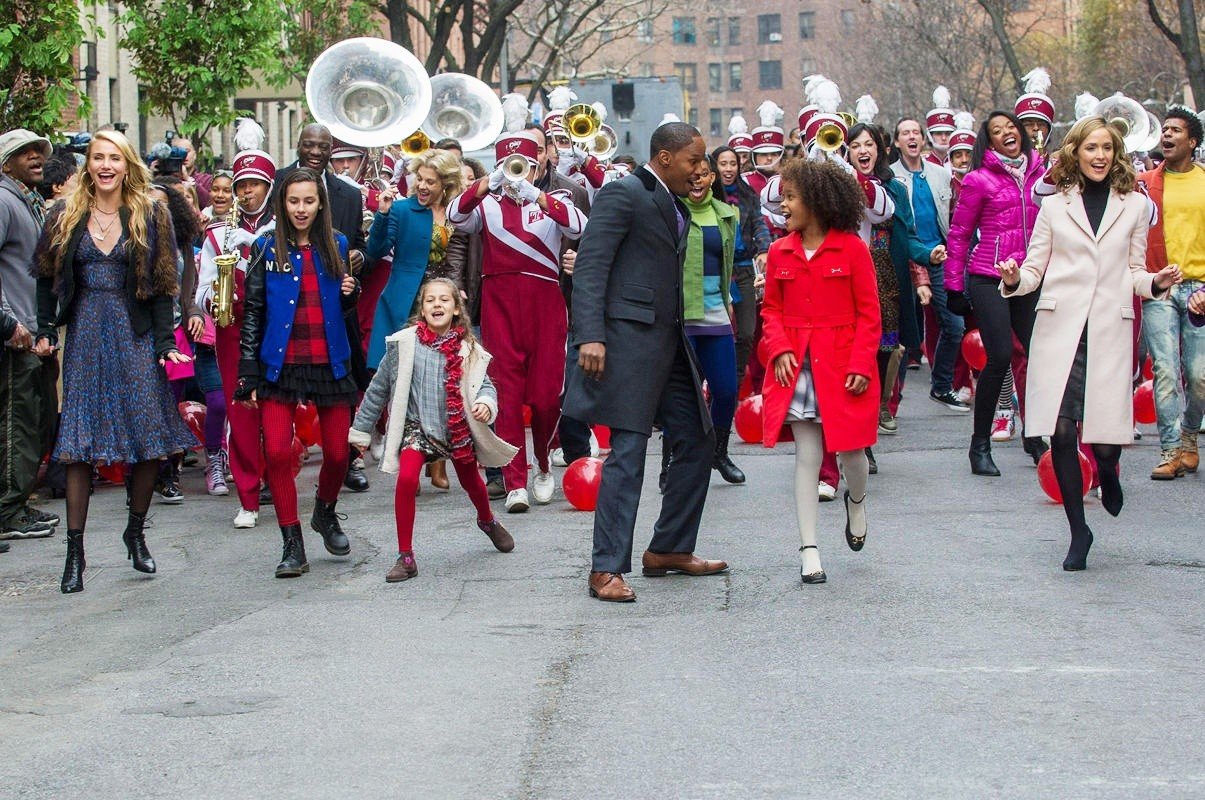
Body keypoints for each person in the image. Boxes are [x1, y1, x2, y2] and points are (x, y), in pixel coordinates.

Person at [997, 115, 1181, 570]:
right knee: (1060, 429)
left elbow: (1135, 271)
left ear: (1116, 154)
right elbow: (1035, 268)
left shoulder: (1135, 206)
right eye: (1090, 148)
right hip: (1061, 328)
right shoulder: (1055, 206)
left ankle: (1110, 469)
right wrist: (1016, 277)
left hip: (1108, 328)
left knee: (1103, 438)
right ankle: (1079, 532)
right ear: (1075, 153)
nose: (1099, 156)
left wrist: (1155, 282)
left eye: (1106, 148)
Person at [563, 122, 728, 603]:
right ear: (664, 158)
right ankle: (606, 569)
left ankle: (669, 549)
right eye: (694, 159)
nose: (703, 168)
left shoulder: (676, 201)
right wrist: (589, 335)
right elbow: (592, 265)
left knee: (699, 438)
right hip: (626, 342)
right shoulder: (623, 194)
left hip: (670, 342)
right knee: (629, 454)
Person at [32, 130, 196, 593]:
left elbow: (164, 284)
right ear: (88, 165)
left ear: (127, 165)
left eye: (114, 158)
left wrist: (166, 343)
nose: (106, 166)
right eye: (98, 158)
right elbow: (45, 279)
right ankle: (75, 552)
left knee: (148, 437)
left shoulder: (150, 212)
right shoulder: (65, 213)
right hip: (85, 334)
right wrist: (46, 329)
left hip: (136, 334)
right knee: (80, 441)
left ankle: (135, 531)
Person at [447, 131, 586, 513]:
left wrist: (534, 195)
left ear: (538, 162)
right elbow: (454, 215)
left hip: (545, 304)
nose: (515, 174)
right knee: (505, 395)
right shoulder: (486, 205)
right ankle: (514, 481)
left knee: (544, 397)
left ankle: (543, 462)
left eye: (523, 164)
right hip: (499, 305)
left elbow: (579, 227)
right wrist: (484, 184)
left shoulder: (555, 199)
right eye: (508, 166)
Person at [759, 159, 881, 584]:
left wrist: (863, 363)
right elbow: (771, 309)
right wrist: (777, 348)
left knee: (852, 453)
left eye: (791, 197)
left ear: (817, 201)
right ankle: (809, 548)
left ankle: (857, 499)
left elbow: (870, 314)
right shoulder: (779, 251)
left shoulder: (852, 248)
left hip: (845, 366)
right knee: (807, 456)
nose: (784, 205)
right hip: (799, 368)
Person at [349, 278, 519, 582]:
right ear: (422, 309)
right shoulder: (404, 344)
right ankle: (406, 556)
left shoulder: (468, 349)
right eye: (430, 300)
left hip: (456, 428)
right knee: (406, 479)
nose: (437, 304)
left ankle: (487, 520)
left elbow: (486, 385)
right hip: (418, 428)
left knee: (473, 484)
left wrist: (484, 403)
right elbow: (377, 390)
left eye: (444, 300)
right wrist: (360, 433)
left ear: (456, 309)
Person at [236, 168, 361, 579]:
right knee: (275, 453)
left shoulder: (337, 245)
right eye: (293, 201)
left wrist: (352, 293)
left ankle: (325, 512)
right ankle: (292, 545)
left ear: (320, 204)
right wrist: (248, 374)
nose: (301, 209)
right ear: (282, 204)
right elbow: (253, 310)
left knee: (340, 454)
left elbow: (344, 310)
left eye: (309, 201)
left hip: (330, 360)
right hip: (280, 362)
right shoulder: (265, 246)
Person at [944, 110, 1045, 475]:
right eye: (997, 131)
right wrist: (953, 286)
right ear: (989, 141)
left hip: (1031, 276)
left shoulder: (1042, 173)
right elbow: (959, 234)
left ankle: (1036, 437)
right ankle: (980, 445)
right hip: (989, 276)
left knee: (1041, 358)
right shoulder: (978, 180)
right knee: (1000, 355)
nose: (1007, 134)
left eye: (1011, 128)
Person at [275, 124, 371, 493]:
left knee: (344, 382)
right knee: (279, 393)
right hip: (288, 306)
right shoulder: (278, 183)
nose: (315, 151)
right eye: (308, 144)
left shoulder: (348, 193)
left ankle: (348, 460)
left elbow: (360, 242)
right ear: (297, 145)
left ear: (332, 149)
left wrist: (359, 257)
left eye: (322, 146)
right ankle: (276, 469)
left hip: (334, 305)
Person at [196, 138, 275, 528]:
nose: (246, 192)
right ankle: (248, 496)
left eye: (254, 184)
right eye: (241, 184)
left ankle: (278, 480)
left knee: (277, 409)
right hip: (233, 329)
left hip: (277, 329)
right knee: (240, 411)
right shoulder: (216, 234)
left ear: (269, 187)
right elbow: (201, 290)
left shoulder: (285, 227)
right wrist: (216, 297)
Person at [848, 123, 932, 436]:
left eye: (868, 144)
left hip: (886, 275)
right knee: (856, 345)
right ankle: (859, 413)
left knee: (887, 345)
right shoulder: (839, 185)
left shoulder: (896, 188)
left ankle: (882, 402)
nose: (862, 151)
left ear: (881, 149)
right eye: (855, 146)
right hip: (848, 275)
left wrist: (927, 257)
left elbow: (909, 235)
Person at [1136, 107, 1205, 480]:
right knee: (1164, 371)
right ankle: (1170, 449)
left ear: (1192, 141)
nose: (1167, 135)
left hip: (1200, 290)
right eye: (1164, 129)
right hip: (1159, 287)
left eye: (1176, 130)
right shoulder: (1145, 183)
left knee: (1199, 376)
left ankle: (1190, 435)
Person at [0, 129, 59, 541]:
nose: (37, 157)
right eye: (25, 153)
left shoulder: (29, 200)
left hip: (35, 333)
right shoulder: (4, 200)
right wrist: (8, 322)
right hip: (14, 335)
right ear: (6, 163)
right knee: (17, 424)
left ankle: (17, 505)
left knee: (35, 421)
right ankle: (8, 510)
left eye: (39, 151)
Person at [890, 118, 964, 411]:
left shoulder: (940, 175)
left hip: (938, 255)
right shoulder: (890, 178)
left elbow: (952, 217)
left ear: (923, 140)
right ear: (897, 142)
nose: (911, 137)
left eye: (916, 133)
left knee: (954, 325)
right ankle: (893, 396)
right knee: (903, 332)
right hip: (902, 256)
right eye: (905, 133)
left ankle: (942, 385)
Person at [678, 155, 743, 484]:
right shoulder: (672, 212)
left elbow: (728, 262)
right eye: (691, 176)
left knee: (727, 390)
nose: (697, 181)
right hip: (682, 314)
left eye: (703, 175)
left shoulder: (728, 214)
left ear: (713, 178)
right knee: (682, 396)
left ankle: (719, 452)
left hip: (716, 310)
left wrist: (729, 299)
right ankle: (674, 462)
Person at [711, 145, 771, 391]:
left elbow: (759, 223)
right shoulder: (707, 196)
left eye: (732, 163)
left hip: (745, 268)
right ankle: (714, 384)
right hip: (716, 269)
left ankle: (734, 384)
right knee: (718, 330)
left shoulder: (748, 194)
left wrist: (765, 249)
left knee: (747, 333)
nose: (728, 168)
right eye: (723, 163)